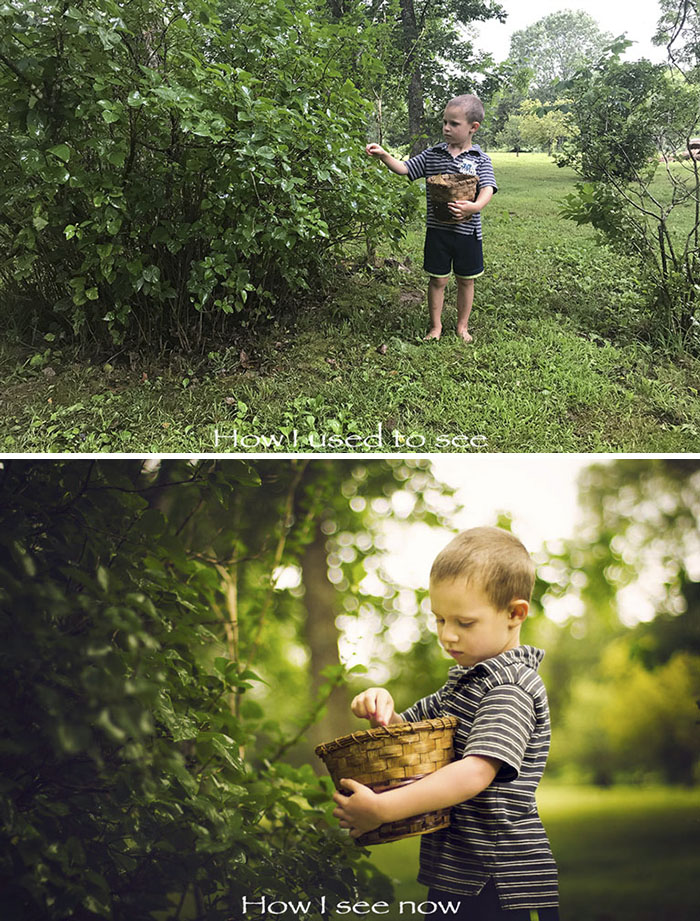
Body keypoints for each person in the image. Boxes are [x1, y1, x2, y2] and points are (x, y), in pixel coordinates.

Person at [332, 527, 559, 921]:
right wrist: (382, 710)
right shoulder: (466, 682)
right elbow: (412, 738)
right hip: (459, 870)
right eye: (439, 619)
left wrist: (383, 809)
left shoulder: (510, 687)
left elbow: (474, 773)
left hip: (498, 878)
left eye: (464, 622)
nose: (447, 635)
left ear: (514, 614)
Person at [366, 94, 497, 343]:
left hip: (467, 234)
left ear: (473, 127)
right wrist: (384, 155)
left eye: (454, 124)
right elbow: (405, 169)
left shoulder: (480, 160)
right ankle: (435, 327)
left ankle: (462, 327)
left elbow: (488, 188)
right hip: (438, 232)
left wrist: (474, 207)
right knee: (437, 279)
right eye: (445, 122)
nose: (447, 128)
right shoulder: (434, 154)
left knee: (465, 281)